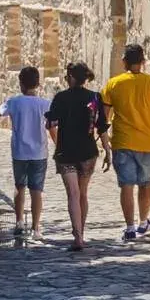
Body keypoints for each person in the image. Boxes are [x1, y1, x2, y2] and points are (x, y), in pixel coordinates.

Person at [101, 44, 150, 242]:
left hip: (122, 141)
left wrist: (104, 142)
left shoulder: (113, 84)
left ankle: (130, 227)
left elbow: (104, 117)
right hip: (147, 142)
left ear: (124, 61)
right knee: (145, 184)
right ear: (143, 62)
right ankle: (143, 222)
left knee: (126, 186)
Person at [0, 66, 51, 245]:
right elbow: (53, 124)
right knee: (37, 191)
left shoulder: (14, 102)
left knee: (19, 186)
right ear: (38, 84)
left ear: (21, 84)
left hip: (19, 152)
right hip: (39, 152)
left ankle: (19, 221)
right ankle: (35, 228)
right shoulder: (45, 104)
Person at [44, 62, 104, 251]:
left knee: (73, 193)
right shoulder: (94, 97)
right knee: (83, 193)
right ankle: (82, 233)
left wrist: (56, 143)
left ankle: (77, 235)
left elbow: (51, 122)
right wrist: (108, 150)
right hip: (87, 151)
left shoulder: (61, 98)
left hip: (66, 152)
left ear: (70, 77)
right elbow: (101, 126)